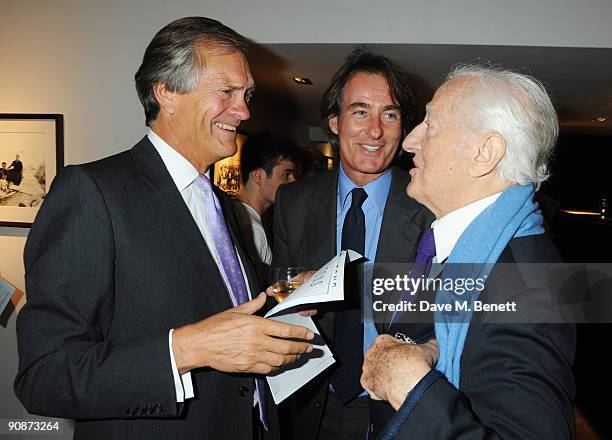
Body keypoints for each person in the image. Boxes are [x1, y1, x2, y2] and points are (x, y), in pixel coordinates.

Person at [14, 16, 315, 440]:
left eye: (246, 95)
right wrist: (188, 349)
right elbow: (45, 376)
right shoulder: (92, 192)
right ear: (166, 93)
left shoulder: (223, 207)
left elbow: (222, 312)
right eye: (226, 91)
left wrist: (283, 301)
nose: (244, 110)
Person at [361, 65, 575, 439]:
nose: (410, 140)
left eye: (431, 125)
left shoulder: (525, 287)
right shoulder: (453, 242)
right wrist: (433, 349)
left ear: (485, 153)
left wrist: (408, 386)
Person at [272, 49, 433, 440]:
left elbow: (452, 304)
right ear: (334, 121)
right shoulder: (293, 201)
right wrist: (295, 294)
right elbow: (279, 287)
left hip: (397, 406)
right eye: (360, 111)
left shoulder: (431, 206)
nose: (375, 131)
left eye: (390, 114)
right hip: (310, 399)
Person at [235, 132, 301, 285]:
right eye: (286, 175)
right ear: (258, 176)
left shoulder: (240, 215)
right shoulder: (251, 228)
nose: (294, 182)